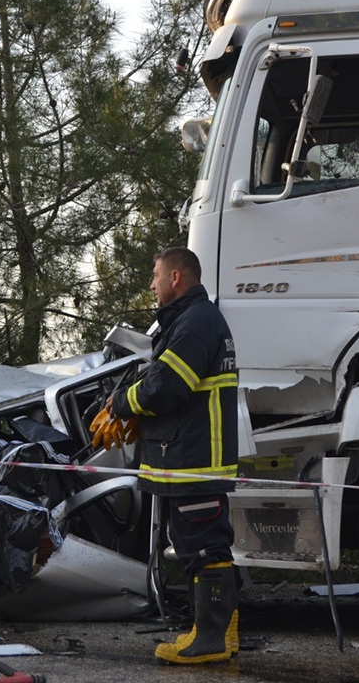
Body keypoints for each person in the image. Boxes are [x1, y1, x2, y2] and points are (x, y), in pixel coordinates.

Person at [106, 247, 240, 664]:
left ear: (177, 277)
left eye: (156, 274)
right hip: (189, 456)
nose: (152, 283)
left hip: (195, 460)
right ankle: (218, 633)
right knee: (200, 544)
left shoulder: (197, 323)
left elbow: (165, 386)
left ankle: (212, 641)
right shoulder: (192, 320)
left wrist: (121, 403)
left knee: (203, 547)